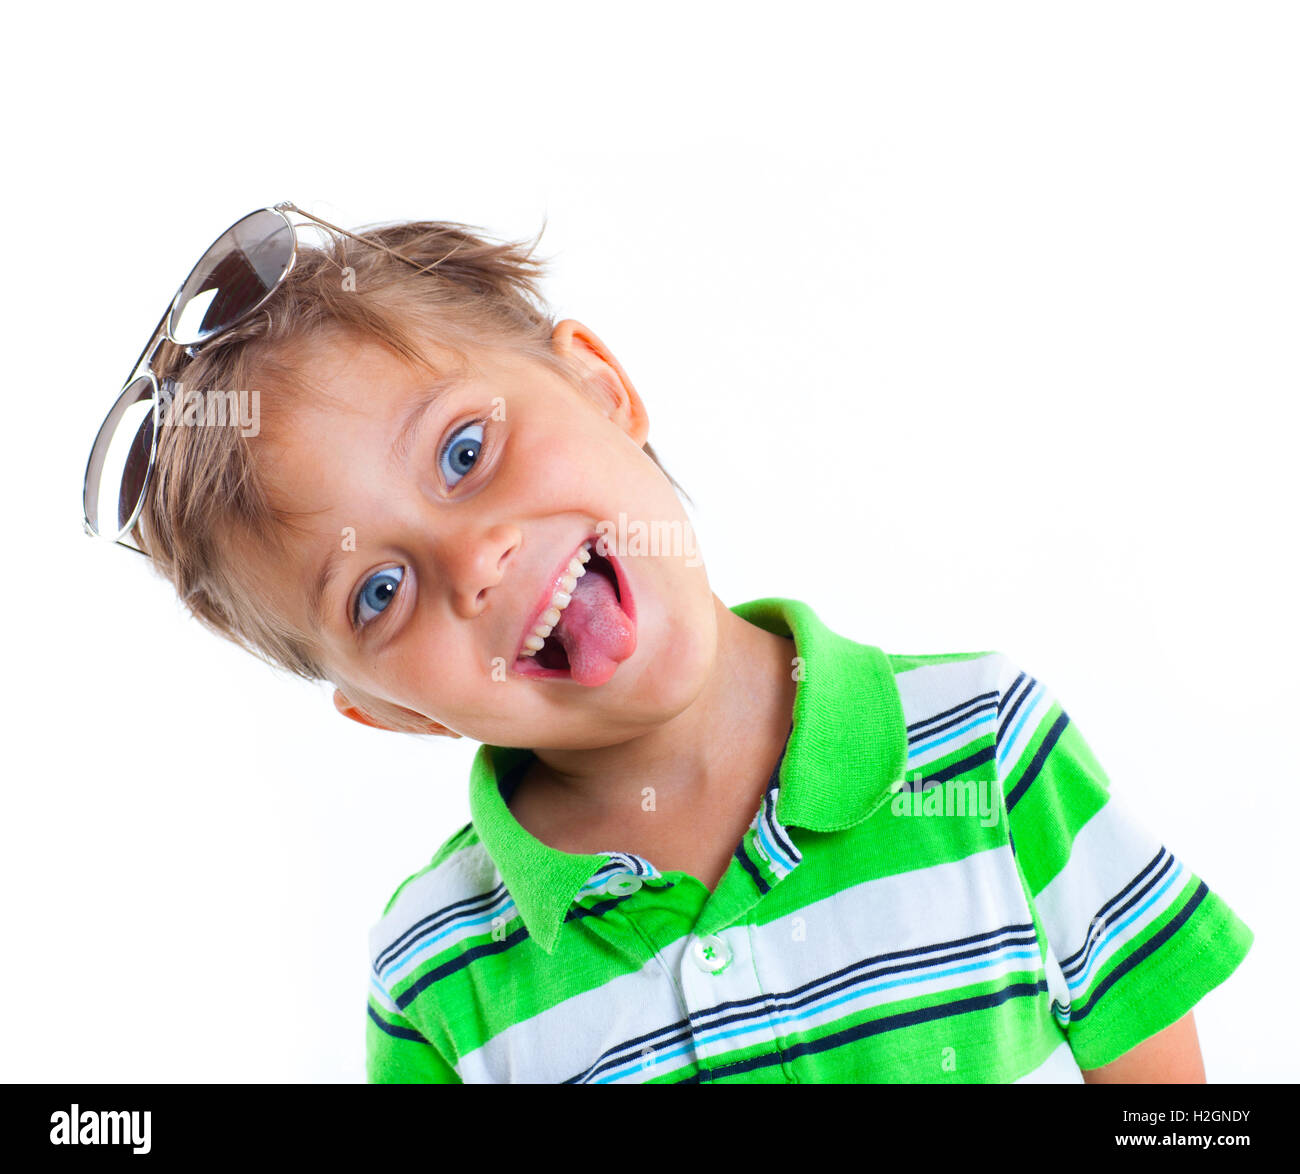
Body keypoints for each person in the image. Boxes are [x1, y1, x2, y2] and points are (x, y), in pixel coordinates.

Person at [83, 204, 1252, 1084]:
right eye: (379, 590)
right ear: (394, 713)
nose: (474, 558)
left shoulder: (987, 748)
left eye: (462, 452)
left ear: (601, 388)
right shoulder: (434, 976)